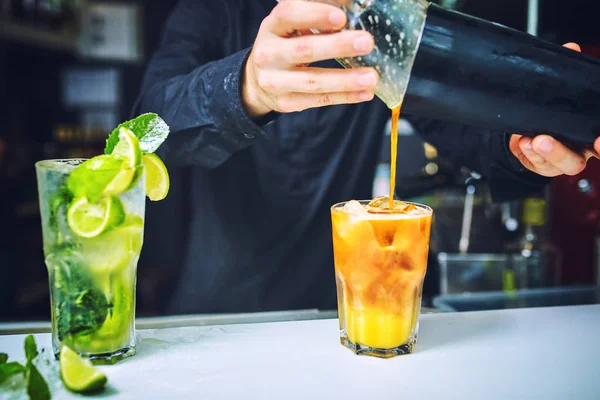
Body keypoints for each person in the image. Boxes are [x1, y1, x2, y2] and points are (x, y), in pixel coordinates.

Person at [134, 0, 600, 315]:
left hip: (336, 319)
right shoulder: (213, 10)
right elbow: (149, 128)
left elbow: (473, 136)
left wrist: (524, 147)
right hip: (216, 318)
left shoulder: (378, 27)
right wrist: (248, 85)